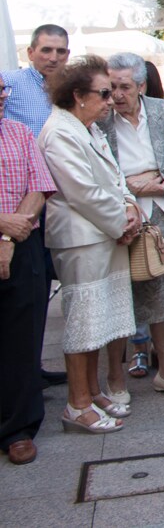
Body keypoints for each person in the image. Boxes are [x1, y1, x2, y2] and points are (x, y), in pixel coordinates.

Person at [38, 56, 141, 434]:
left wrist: (131, 210)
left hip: (104, 235)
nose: (111, 99)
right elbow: (82, 192)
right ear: (78, 96)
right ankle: (77, 404)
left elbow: (114, 179)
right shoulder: (60, 132)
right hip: (81, 241)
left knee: (99, 321)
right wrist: (121, 222)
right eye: (103, 92)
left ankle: (94, 391)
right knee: (83, 322)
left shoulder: (89, 129)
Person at [98, 52, 164, 400]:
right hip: (117, 217)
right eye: (111, 86)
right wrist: (135, 185)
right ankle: (115, 378)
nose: (116, 94)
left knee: (162, 297)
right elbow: (95, 174)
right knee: (118, 295)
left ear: (141, 85)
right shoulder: (99, 119)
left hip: (161, 214)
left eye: (124, 86)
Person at [1, 23, 72, 388]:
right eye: (46, 50)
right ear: (30, 52)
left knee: (42, 291)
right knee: (26, 291)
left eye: (60, 51)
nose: (53, 57)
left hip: (66, 203)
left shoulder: (70, 88)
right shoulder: (9, 83)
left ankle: (33, 366)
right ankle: (23, 372)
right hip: (24, 209)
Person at [0, 79, 57, 463]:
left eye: (3, 89)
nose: (3, 95)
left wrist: (14, 229)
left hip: (23, 247)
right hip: (10, 231)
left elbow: (39, 186)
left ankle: (18, 428)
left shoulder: (19, 132)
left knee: (22, 337)